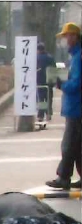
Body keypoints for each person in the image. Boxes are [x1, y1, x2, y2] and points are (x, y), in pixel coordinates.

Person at [46, 23, 81, 191]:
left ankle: (64, 177)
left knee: (69, 145)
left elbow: (77, 83)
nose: (65, 40)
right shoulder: (75, 56)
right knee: (78, 146)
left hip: (77, 108)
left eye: (66, 36)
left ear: (74, 37)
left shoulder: (78, 57)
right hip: (75, 107)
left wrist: (61, 84)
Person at [37, 42, 56, 122]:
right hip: (49, 82)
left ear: (38, 50)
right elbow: (54, 69)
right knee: (49, 98)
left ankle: (41, 116)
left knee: (41, 99)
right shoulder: (50, 58)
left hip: (40, 82)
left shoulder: (36, 58)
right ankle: (48, 114)